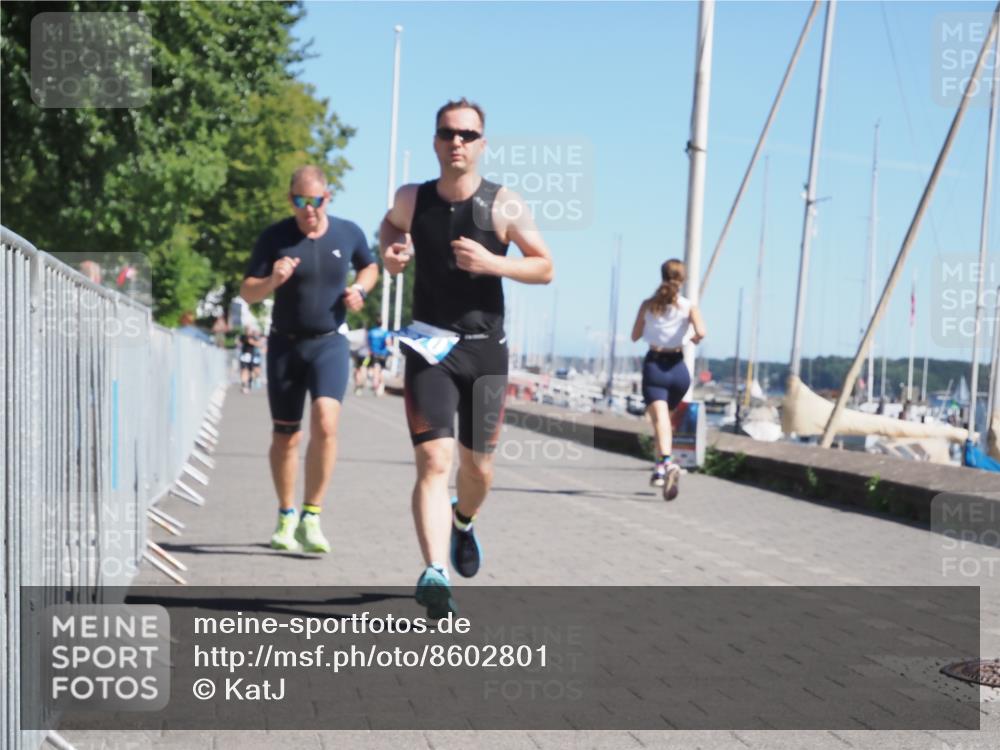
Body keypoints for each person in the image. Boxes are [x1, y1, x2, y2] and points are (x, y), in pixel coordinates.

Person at [381, 98, 554, 617]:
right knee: (434, 460)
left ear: (482, 144)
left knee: (478, 469)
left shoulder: (504, 204)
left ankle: (463, 521)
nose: (457, 141)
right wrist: (392, 251)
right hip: (429, 346)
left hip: (484, 353)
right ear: (435, 141)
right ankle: (434, 572)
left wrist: (494, 263)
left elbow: (544, 267)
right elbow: (389, 227)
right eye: (447, 132)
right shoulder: (412, 197)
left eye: (468, 134)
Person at [240, 165, 378, 553]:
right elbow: (248, 291)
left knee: (326, 421)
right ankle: (286, 515)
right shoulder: (275, 237)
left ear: (327, 198)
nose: (308, 209)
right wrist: (272, 281)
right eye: (300, 201)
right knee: (286, 436)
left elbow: (370, 265)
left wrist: (361, 291)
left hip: (329, 342)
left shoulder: (348, 232)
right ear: (291, 200)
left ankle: (312, 515)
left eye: (315, 201)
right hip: (285, 345)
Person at [630, 259, 706, 501]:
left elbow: (635, 336)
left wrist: (653, 327)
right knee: (663, 423)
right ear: (682, 280)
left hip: (655, 366)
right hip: (679, 370)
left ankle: (665, 465)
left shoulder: (648, 305)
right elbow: (701, 332)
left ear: (661, 275)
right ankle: (659, 467)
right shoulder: (688, 306)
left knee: (660, 421)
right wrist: (690, 338)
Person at [367, 324, 391, 395]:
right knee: (382, 371)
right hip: (383, 354)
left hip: (374, 353)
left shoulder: (371, 332)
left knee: (376, 370)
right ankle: (381, 386)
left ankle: (375, 385)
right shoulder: (385, 332)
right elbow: (388, 342)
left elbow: (368, 342)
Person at [238, 327, 263, 394]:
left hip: (252, 357)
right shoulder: (243, 336)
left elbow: (259, 344)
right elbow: (247, 341)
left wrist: (254, 342)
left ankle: (250, 384)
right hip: (244, 356)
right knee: (244, 370)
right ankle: (244, 385)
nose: (250, 332)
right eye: (248, 330)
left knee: (252, 371)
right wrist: (253, 342)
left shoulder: (253, 337)